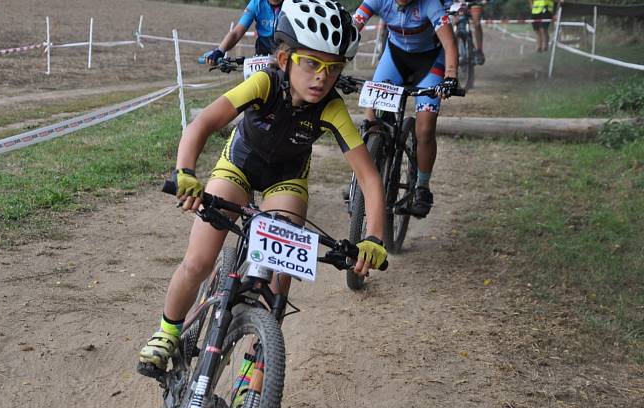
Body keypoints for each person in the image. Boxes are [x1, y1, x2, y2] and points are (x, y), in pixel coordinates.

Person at [138, 0, 388, 381]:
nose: (322, 77)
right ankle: (168, 330)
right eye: (311, 63)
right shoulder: (264, 82)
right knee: (199, 261)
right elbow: (203, 123)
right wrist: (186, 172)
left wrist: (373, 238)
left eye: (333, 68)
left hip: (285, 180)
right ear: (285, 58)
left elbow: (369, 179)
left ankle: (254, 376)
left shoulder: (331, 109)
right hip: (239, 166)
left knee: (278, 275)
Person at [353, 0, 460, 218]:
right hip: (395, 58)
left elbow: (449, 43)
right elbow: (352, 29)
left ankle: (422, 186)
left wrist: (450, 75)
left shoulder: (430, 4)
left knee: (425, 129)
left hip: (430, 63)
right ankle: (362, 174)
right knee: (371, 115)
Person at [204, 0, 283, 64]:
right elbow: (236, 33)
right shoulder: (256, 3)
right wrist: (220, 50)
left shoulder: (293, 3)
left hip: (286, 48)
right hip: (264, 49)